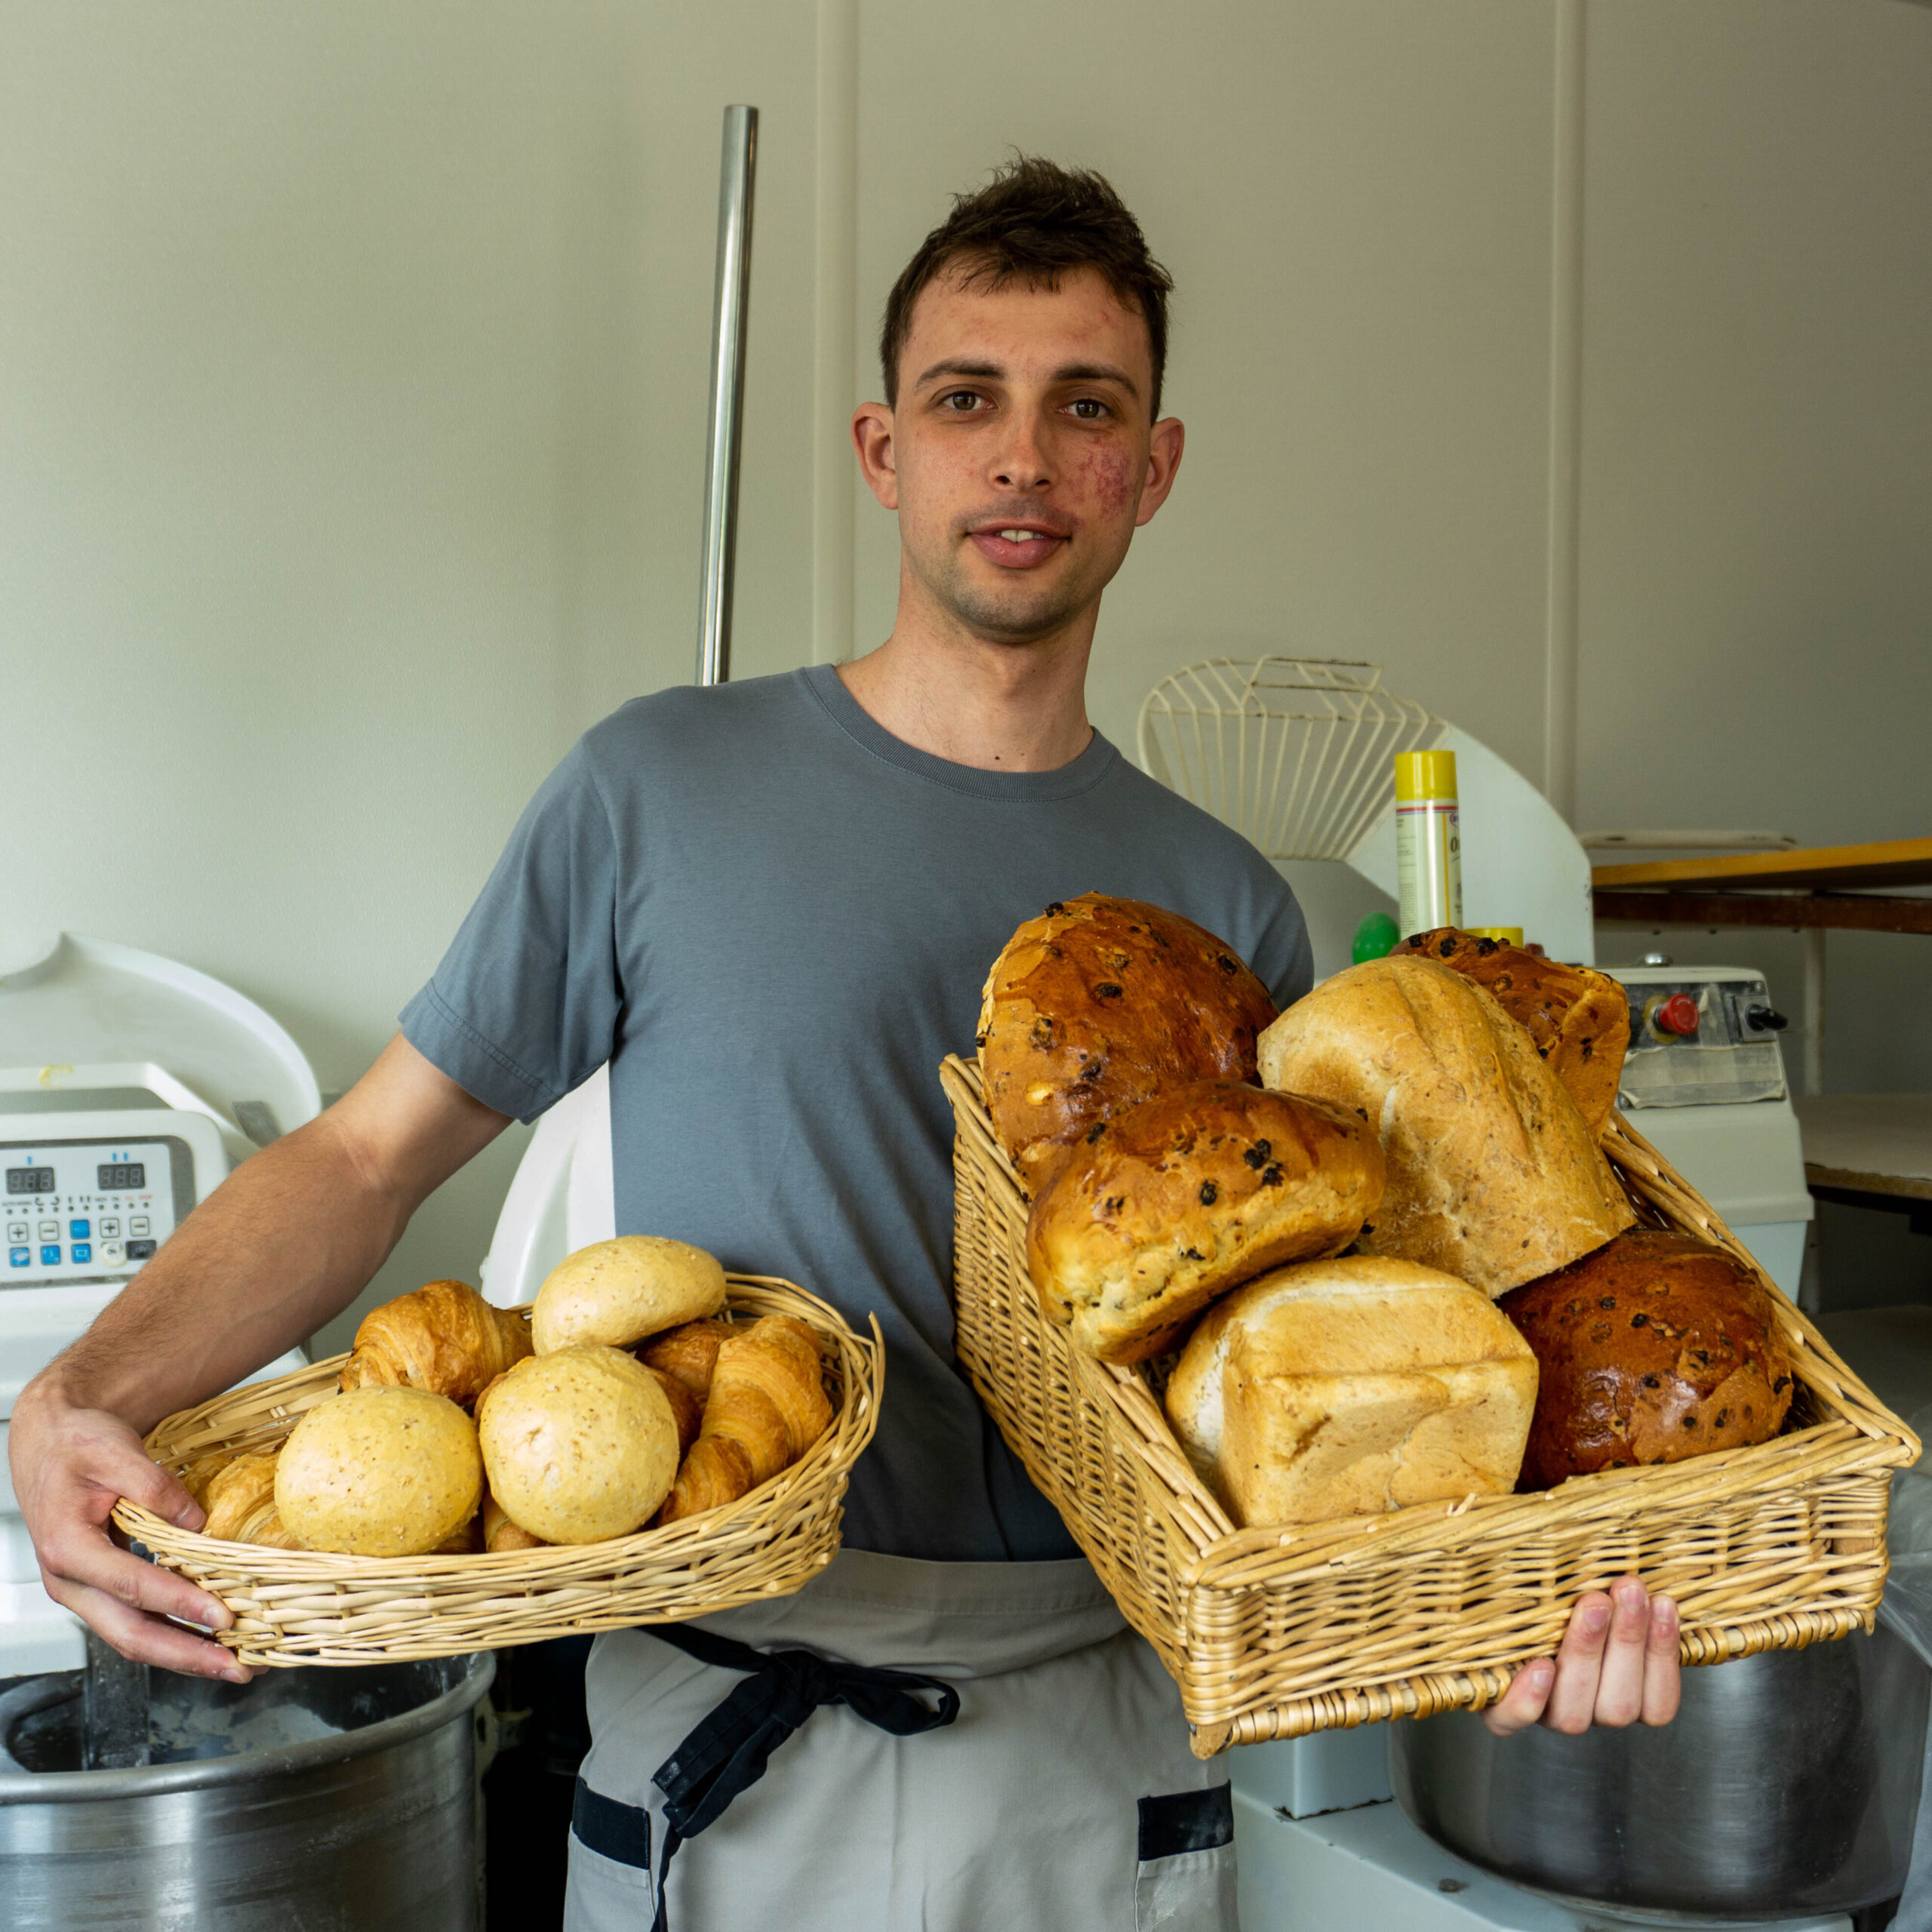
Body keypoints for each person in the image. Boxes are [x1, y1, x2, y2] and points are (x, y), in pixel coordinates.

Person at [12, 157, 1679, 1928]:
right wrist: (85, 1391)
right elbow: (363, 1159)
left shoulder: (1226, 909)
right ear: (885, 450)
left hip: (1092, 1735)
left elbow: (1340, 1387)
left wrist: (1517, 1603)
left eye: (1083, 407)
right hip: (725, 1722)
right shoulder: (654, 788)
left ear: (1151, 470)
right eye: (968, 400)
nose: (1022, 457)